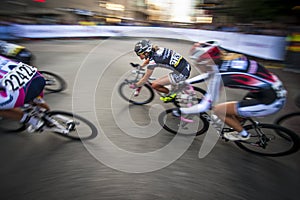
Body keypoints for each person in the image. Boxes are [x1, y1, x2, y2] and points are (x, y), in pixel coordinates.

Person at [173, 41, 287, 141]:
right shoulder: (229, 58)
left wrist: (181, 111)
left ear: (207, 62)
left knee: (218, 110)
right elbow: (209, 74)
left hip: (271, 101)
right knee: (234, 110)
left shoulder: (221, 77)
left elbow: (204, 106)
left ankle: (243, 134)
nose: (196, 65)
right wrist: (186, 83)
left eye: (197, 62)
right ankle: (239, 122)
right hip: (272, 89)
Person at [0, 55, 49, 132]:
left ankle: (34, 122)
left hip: (21, 93)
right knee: (31, 95)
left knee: (1, 110)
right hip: (37, 77)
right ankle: (48, 115)